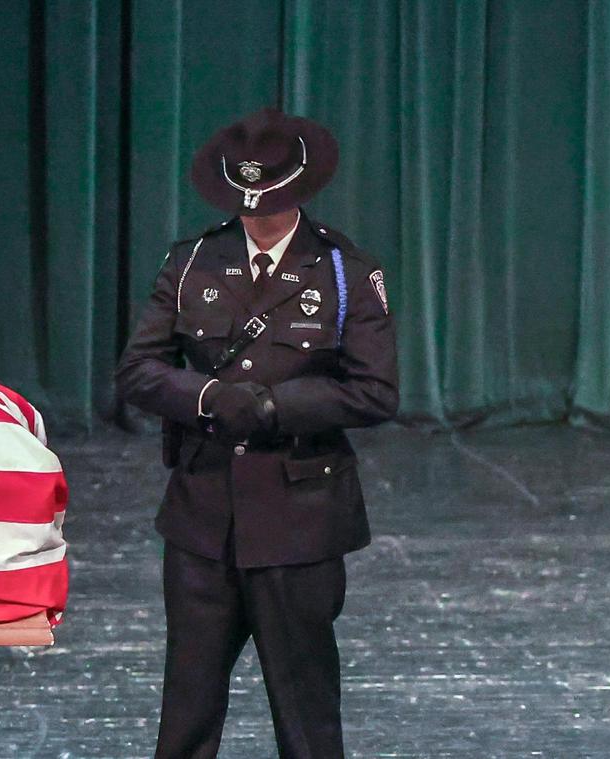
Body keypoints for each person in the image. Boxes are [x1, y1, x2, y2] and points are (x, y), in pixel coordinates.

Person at [115, 107, 399, 758]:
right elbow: (139, 368)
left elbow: (376, 389)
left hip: (299, 517)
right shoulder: (192, 262)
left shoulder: (343, 270)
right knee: (185, 712)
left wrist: (273, 407)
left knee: (306, 717)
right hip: (202, 515)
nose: (257, 214)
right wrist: (212, 396)